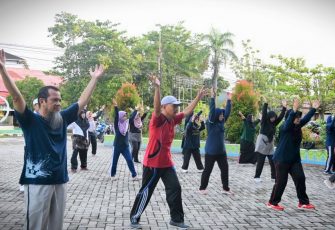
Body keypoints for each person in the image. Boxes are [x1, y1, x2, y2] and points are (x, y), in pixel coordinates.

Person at [0, 49, 105, 230]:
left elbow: (82, 101)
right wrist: (3, 69)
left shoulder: (62, 118)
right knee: (35, 225)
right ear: (42, 101)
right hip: (37, 182)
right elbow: (17, 97)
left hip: (60, 180)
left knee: (55, 226)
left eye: (60, 100)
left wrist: (94, 79)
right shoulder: (30, 120)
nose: (59, 103)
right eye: (54, 100)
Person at [130, 75, 207, 229]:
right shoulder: (157, 119)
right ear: (165, 107)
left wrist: (198, 98)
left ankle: (176, 219)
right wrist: (157, 88)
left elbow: (186, 112)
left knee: (175, 188)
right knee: (146, 191)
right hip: (153, 163)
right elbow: (157, 108)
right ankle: (135, 217)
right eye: (173, 106)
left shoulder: (173, 119)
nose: (176, 108)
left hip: (166, 163)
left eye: (176, 106)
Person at [267, 99, 319, 211]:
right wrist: (293, 110)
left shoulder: (298, 126)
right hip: (282, 160)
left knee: (300, 178)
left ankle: (303, 203)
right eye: (296, 117)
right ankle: (272, 202)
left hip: (294, 160)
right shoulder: (285, 127)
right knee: (281, 182)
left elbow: (306, 118)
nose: (299, 119)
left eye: (299, 117)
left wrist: (314, 108)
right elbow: (289, 121)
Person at [199, 88, 232, 195]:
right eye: (221, 114)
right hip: (211, 152)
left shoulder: (221, 122)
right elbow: (212, 111)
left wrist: (229, 100)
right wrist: (212, 98)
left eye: (223, 114)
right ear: (216, 115)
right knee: (207, 170)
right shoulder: (211, 122)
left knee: (225, 170)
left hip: (221, 152)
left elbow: (227, 112)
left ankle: (225, 189)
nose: (223, 115)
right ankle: (202, 188)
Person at [254, 100, 287, 182]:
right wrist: (265, 103)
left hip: (270, 145)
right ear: (269, 117)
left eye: (274, 117)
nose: (273, 119)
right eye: (272, 117)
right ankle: (257, 177)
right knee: (260, 162)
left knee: (273, 161)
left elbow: (281, 117)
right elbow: (264, 113)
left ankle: (273, 177)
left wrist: (284, 107)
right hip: (262, 143)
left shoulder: (274, 123)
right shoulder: (264, 122)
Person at [110, 99, 139, 181]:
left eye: (126, 116)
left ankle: (134, 175)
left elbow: (132, 117)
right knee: (114, 161)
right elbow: (116, 115)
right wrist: (116, 106)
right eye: (124, 116)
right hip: (117, 146)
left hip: (125, 146)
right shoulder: (117, 125)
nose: (125, 117)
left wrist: (136, 110)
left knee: (129, 160)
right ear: (120, 117)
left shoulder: (126, 123)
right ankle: (112, 175)